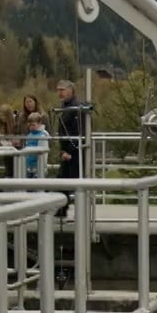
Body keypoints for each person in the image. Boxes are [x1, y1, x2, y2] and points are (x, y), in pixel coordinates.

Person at [54, 79, 89, 216]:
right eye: (58, 90)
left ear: (71, 90)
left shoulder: (75, 108)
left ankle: (64, 210)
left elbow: (77, 131)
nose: (59, 93)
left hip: (74, 151)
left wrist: (69, 150)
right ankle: (62, 209)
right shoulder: (67, 107)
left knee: (68, 181)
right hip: (69, 150)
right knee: (64, 181)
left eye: (62, 90)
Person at [21, 112, 48, 178]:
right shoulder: (29, 135)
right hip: (29, 167)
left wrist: (41, 168)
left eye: (33, 125)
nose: (31, 127)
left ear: (39, 124)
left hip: (38, 168)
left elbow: (43, 154)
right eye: (29, 125)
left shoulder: (42, 136)